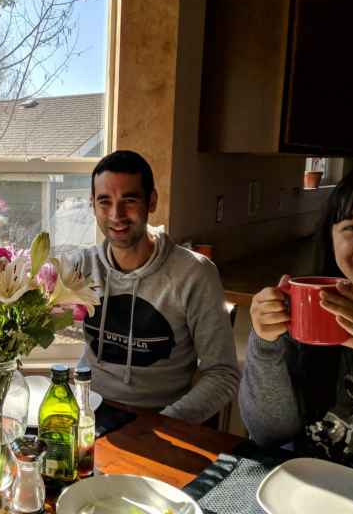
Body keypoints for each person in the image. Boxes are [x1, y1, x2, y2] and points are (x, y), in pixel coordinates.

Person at [240, 160, 353, 485]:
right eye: (352, 227)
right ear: (331, 237)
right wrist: (266, 345)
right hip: (303, 494)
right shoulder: (306, 311)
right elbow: (267, 435)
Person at [75, 150, 240, 424]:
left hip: (163, 418)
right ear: (92, 204)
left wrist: (164, 423)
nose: (116, 215)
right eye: (105, 201)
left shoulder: (194, 274)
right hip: (92, 414)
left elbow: (223, 374)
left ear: (151, 201)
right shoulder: (82, 267)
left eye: (129, 200)